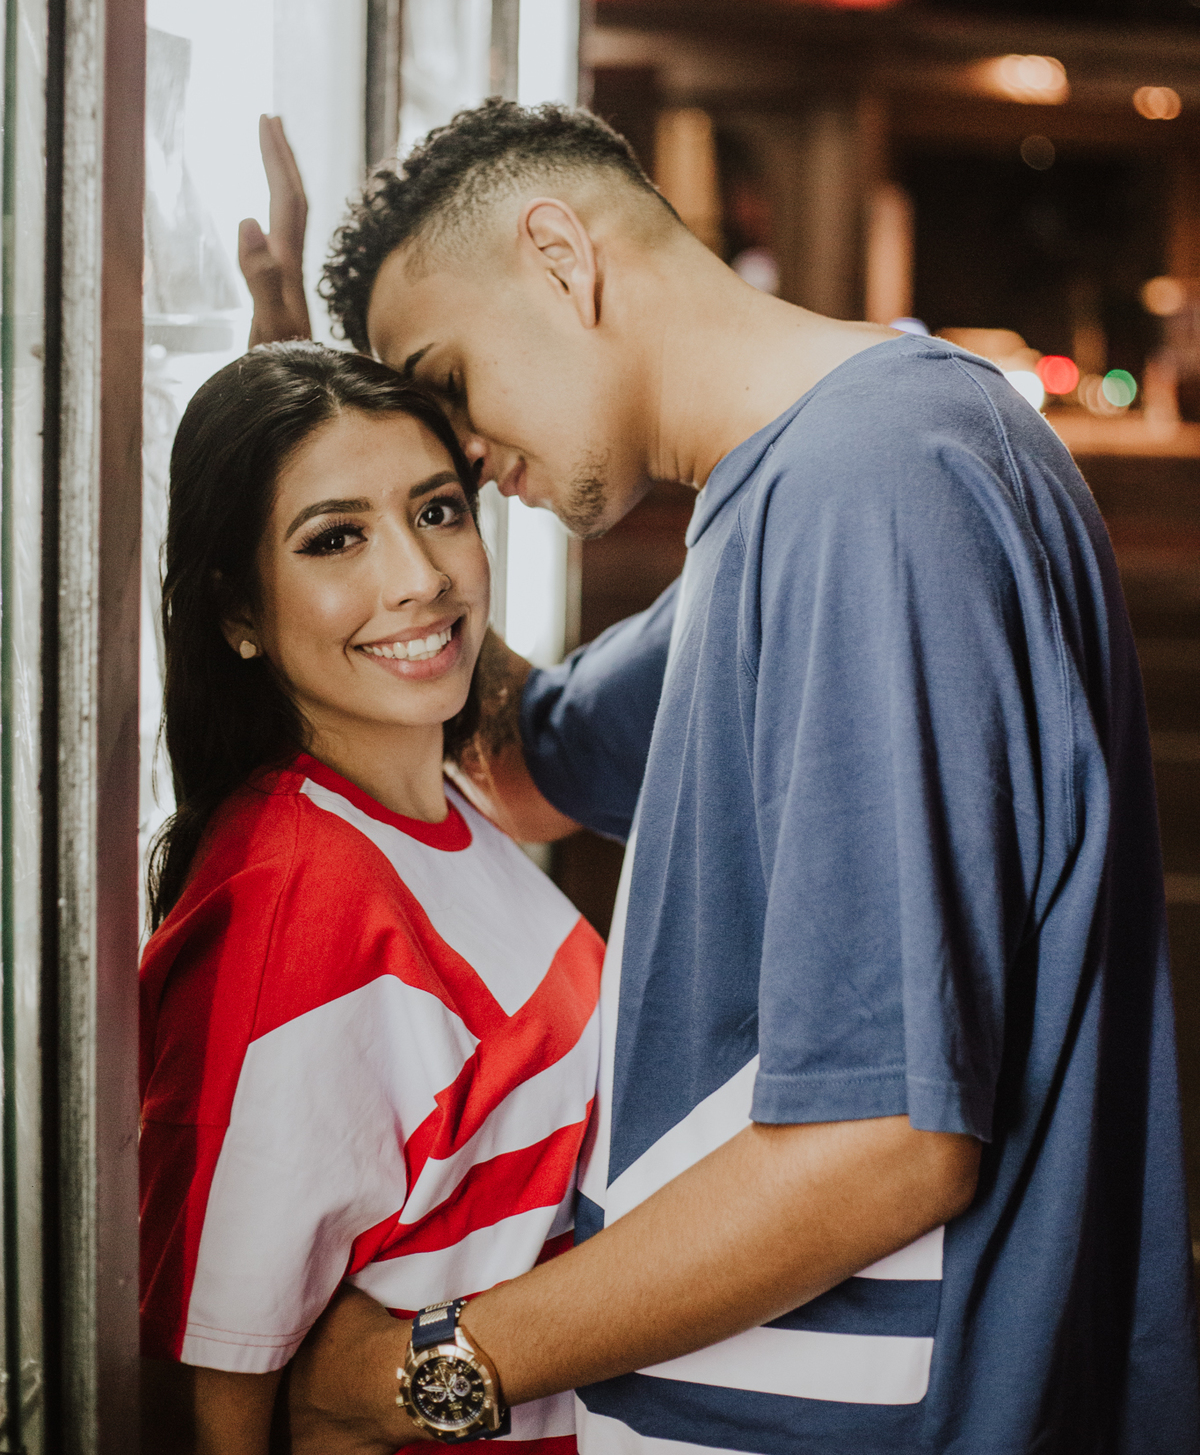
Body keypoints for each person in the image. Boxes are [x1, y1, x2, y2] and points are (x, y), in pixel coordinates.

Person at [242, 103, 1199, 1455]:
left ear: (562, 255)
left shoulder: (875, 492)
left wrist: (424, 1371)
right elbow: (515, 759)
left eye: (445, 383)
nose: (454, 450)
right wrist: (311, 444)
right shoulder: (796, 498)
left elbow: (880, 1148)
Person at [138, 340, 603, 1454]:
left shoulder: (431, 803)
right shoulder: (295, 904)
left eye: (438, 511)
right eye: (336, 537)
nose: (420, 576)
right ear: (237, 612)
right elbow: (222, 1395)